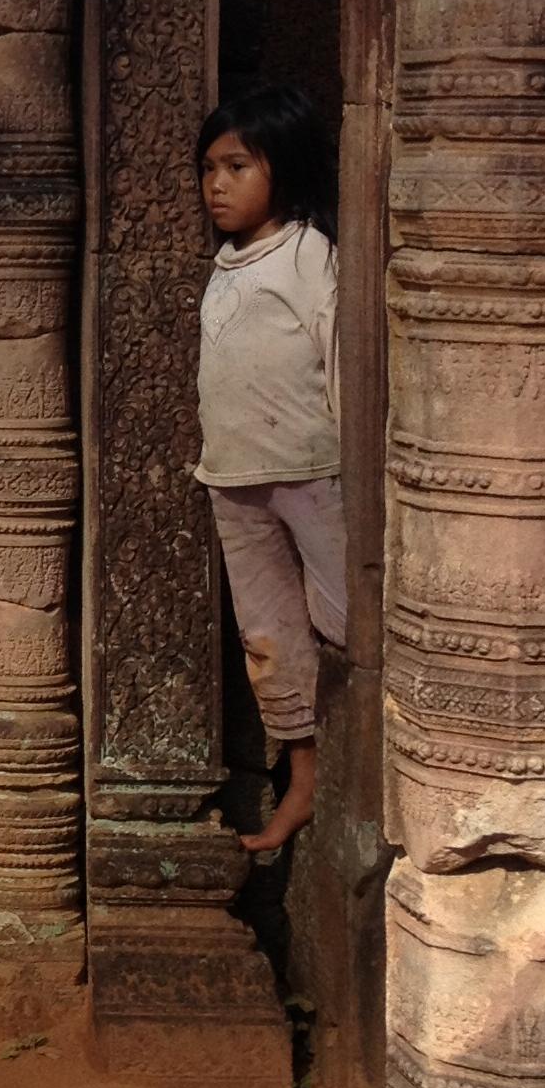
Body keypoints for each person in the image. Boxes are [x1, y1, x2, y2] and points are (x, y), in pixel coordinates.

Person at [195, 84, 344, 855]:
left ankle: (367, 773)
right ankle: (303, 787)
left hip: (312, 471)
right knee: (272, 642)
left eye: (236, 166)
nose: (216, 184)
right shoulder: (224, 267)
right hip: (234, 478)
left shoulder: (311, 255)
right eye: (209, 168)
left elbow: (340, 362)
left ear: (279, 169)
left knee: (345, 619)